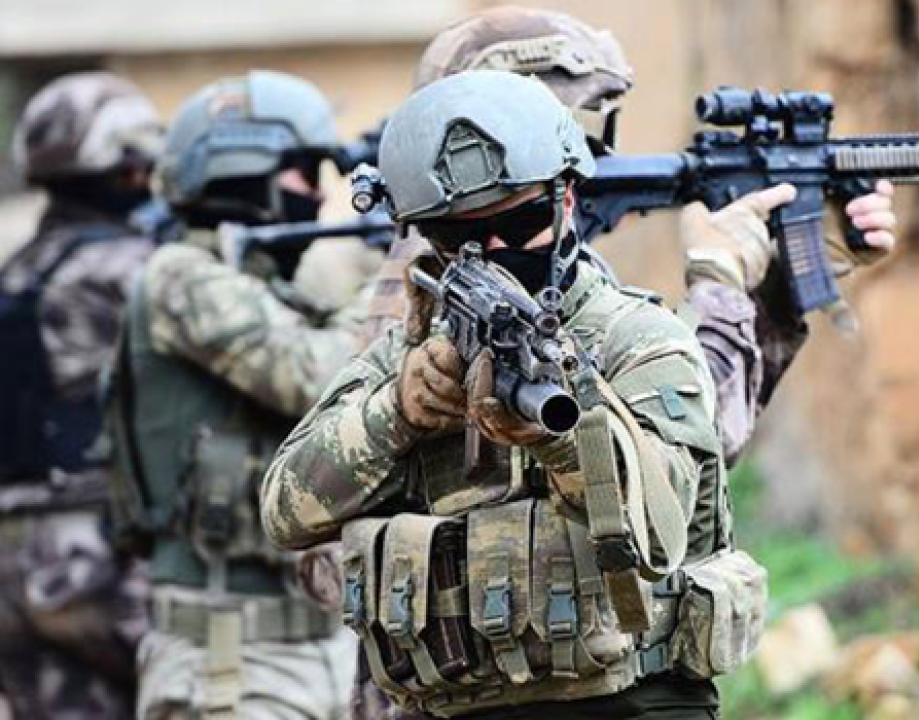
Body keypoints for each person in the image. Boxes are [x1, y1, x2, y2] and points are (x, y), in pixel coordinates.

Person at [263, 69, 764, 720]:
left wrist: (565, 439)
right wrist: (397, 413)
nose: (498, 251)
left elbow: (662, 529)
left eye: (522, 221)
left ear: (566, 199)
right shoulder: (407, 355)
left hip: (631, 701)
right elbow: (285, 512)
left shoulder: (638, 339)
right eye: (461, 239)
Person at [361, 5, 898, 466]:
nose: (587, 154)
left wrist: (779, 288)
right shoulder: (460, 290)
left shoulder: (461, 260)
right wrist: (718, 278)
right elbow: (687, 446)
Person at [106, 70, 362, 720]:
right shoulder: (181, 277)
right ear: (245, 169)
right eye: (307, 172)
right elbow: (316, 376)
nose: (320, 194)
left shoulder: (271, 289)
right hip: (226, 659)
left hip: (320, 648)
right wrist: (396, 280)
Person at [0, 71, 162, 720]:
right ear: (127, 166)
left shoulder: (20, 270)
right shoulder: (136, 270)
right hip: (95, 550)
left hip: (12, 557)